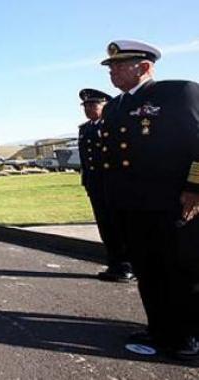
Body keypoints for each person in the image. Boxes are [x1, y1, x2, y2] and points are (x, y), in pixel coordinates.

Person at [99, 40, 199, 359]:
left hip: (173, 201)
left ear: (144, 67)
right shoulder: (115, 107)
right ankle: (159, 327)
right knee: (148, 268)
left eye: (119, 65)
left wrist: (195, 188)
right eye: (111, 66)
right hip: (133, 204)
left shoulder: (177, 93)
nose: (112, 71)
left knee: (180, 269)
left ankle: (187, 335)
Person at [77, 88, 134, 282]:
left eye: (93, 105)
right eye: (86, 106)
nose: (88, 109)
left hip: (114, 183)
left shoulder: (114, 125)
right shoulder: (85, 129)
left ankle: (127, 266)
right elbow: (86, 159)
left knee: (119, 225)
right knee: (105, 225)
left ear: (104, 106)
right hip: (95, 184)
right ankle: (114, 263)